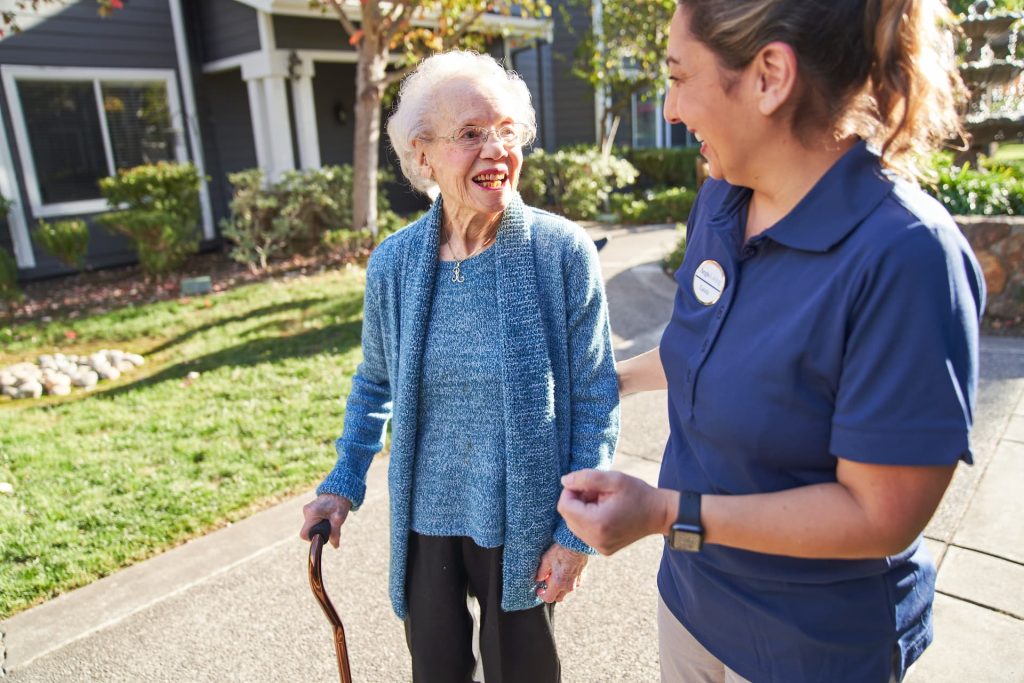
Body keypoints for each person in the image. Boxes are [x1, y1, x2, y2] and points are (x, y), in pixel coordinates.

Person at [557, 2, 984, 682]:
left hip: (811, 649)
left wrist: (667, 512)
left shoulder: (905, 256)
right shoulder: (723, 198)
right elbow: (712, 343)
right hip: (692, 604)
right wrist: (605, 379)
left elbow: (880, 516)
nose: (670, 108)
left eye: (677, 75)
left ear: (769, 76)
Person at [299, 50, 619, 683]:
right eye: (472, 134)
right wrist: (342, 484)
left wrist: (576, 533)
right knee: (436, 671)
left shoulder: (560, 253)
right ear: (424, 155)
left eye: (506, 131)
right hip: (427, 520)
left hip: (524, 519)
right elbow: (374, 382)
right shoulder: (394, 264)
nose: (496, 149)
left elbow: (593, 395)